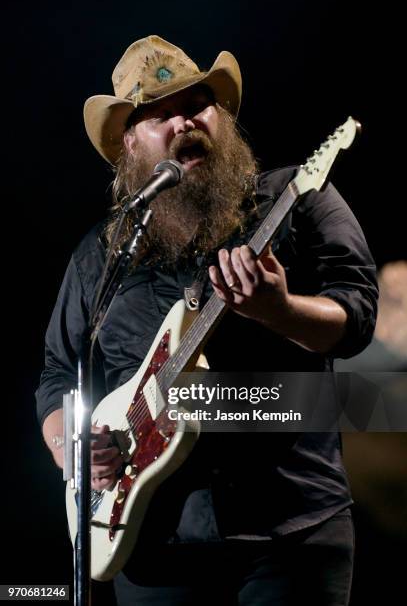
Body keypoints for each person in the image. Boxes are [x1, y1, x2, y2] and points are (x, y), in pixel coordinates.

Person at [36, 35, 378, 605]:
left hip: (291, 532)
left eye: (197, 105)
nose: (183, 122)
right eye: (160, 114)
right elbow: (56, 370)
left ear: (221, 118)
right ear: (129, 145)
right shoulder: (101, 255)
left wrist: (281, 311)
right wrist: (68, 445)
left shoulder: (296, 200)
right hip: (150, 542)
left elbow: (358, 317)